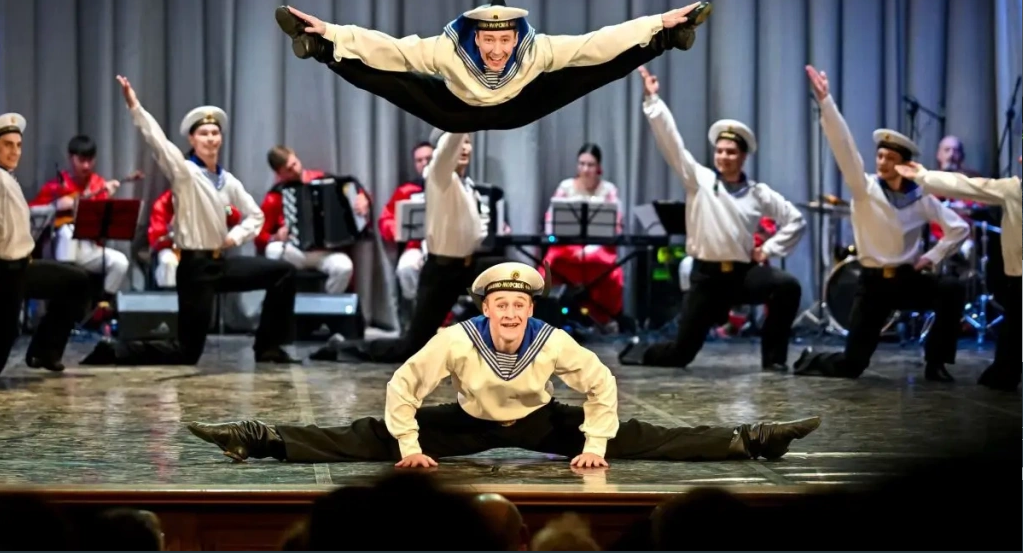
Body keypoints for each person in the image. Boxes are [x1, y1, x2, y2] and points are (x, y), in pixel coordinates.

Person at [186, 262, 821, 466]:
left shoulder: (552, 339)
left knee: (645, 438)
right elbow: (405, 383)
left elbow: (600, 382)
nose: (512, 312)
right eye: (502, 304)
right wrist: (410, 445)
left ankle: (752, 440)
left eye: (520, 304)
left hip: (543, 423)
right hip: (468, 424)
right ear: (487, 307)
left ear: (529, 308)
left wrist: (593, 443)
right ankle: (258, 438)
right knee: (364, 437)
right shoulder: (457, 338)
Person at [275, 0, 711, 132]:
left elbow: (595, 43)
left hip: (517, 108)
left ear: (516, 36)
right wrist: (332, 31)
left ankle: (668, 38)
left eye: (505, 39)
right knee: (390, 79)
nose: (498, 50)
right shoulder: (448, 49)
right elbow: (392, 49)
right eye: (489, 40)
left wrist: (655, 23)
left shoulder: (535, 49)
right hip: (453, 111)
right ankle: (319, 49)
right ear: (475, 36)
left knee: (589, 71)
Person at [80, 76, 299, 365]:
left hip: (219, 263)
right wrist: (135, 106)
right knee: (187, 352)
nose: (211, 138)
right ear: (192, 140)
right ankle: (114, 350)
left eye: (215, 133)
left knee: (284, 272)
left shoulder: (227, 180)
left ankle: (268, 347)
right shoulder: (185, 173)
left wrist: (234, 237)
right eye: (204, 133)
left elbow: (256, 216)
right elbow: (157, 141)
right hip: (195, 269)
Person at [619, 67, 806, 371]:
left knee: (788, 287)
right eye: (719, 151)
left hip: (742, 276)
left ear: (743, 156)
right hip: (706, 279)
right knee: (680, 355)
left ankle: (774, 359)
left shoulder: (757, 193)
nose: (723, 157)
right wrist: (653, 102)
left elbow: (796, 220)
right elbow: (672, 145)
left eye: (730, 152)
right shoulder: (700, 181)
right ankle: (639, 353)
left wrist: (768, 250)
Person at [793, 66, 970, 381]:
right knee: (852, 366)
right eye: (880, 156)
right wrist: (826, 104)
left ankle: (936, 362)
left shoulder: (920, 196)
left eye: (890, 158)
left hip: (906, 279)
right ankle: (811, 359)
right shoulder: (865, 188)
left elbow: (959, 228)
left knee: (951, 289)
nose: (883, 162)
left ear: (904, 164)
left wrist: (932, 256)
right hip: (873, 284)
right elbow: (845, 149)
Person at [318, 129, 484, 363]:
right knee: (411, 347)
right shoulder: (439, 174)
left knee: (514, 283)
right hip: (443, 269)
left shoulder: (467, 185)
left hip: (468, 267)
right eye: (460, 142)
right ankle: (341, 348)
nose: (464, 147)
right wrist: (462, 121)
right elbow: (449, 147)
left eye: (468, 142)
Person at [896, 159, 1021, 391]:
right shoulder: (1014, 189)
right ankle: (1003, 374)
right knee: (1012, 338)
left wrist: (923, 176)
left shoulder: (1014, 189)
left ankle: (1003, 374)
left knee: (1013, 335)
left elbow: (967, 186)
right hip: (1018, 279)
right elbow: (965, 185)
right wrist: (923, 176)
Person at [0, 113, 92, 373]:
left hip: (22, 267)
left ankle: (45, 351)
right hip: (5, 273)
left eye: (18, 145)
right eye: (7, 145)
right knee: (6, 335)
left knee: (76, 282)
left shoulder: (8, 177)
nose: (15, 151)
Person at [255, 145, 371, 294]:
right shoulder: (275, 196)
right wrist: (275, 237)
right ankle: (279, 303)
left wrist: (362, 197)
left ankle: (328, 305)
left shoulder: (321, 178)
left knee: (344, 267)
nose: (295, 170)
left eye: (295, 164)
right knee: (273, 250)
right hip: (295, 252)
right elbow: (258, 235)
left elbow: (350, 185)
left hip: (325, 252)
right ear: (279, 174)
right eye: (289, 170)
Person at [29, 135, 131, 299]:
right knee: (66, 233)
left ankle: (100, 306)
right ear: (71, 158)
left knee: (120, 262)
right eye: (81, 160)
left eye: (90, 160)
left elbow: (103, 224)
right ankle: (64, 298)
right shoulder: (55, 186)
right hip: (58, 250)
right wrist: (55, 205)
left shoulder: (98, 184)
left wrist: (106, 199)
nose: (86, 166)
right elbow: (30, 213)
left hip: (88, 247)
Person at [540, 143, 628, 332]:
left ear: (598, 167)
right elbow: (551, 220)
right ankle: (550, 316)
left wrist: (592, 248)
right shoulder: (565, 187)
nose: (585, 169)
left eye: (590, 164)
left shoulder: (608, 190)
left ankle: (602, 319)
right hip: (567, 247)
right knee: (551, 264)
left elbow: (616, 225)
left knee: (610, 272)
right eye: (582, 164)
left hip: (599, 248)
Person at [378, 140, 434, 301]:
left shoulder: (453, 187)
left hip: (448, 248)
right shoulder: (407, 191)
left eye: (428, 159)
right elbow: (386, 219)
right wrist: (398, 230)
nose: (424, 163)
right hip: (416, 246)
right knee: (405, 269)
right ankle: (418, 308)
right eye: (419, 160)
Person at [147, 189, 178, 287]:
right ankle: (169, 294)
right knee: (168, 262)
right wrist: (173, 225)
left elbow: (226, 210)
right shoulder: (161, 204)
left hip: (197, 250)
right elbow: (157, 240)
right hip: (169, 249)